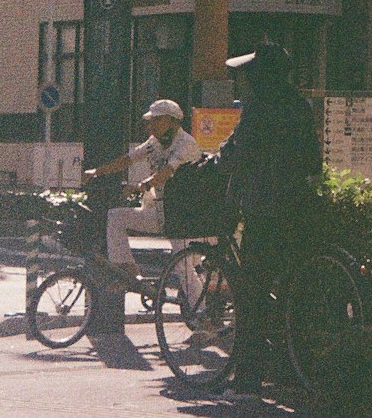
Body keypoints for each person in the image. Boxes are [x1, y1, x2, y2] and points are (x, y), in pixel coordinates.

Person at [216, 41, 322, 394]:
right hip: (299, 207)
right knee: (294, 289)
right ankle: (292, 369)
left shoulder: (258, 108)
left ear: (260, 77)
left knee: (253, 293)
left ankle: (249, 375)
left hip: (264, 210)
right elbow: (312, 159)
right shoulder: (300, 106)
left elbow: (237, 155)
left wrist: (222, 154)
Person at [83, 98, 202, 283]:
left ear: (172, 121)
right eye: (151, 120)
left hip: (184, 216)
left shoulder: (186, 143)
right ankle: (128, 271)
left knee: (184, 269)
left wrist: (142, 186)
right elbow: (128, 159)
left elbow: (168, 171)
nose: (151, 125)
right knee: (116, 217)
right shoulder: (154, 143)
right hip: (161, 212)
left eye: (157, 120)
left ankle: (199, 303)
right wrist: (97, 172)